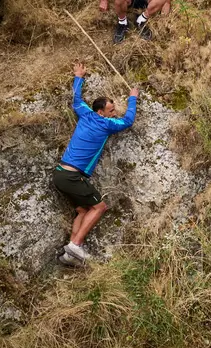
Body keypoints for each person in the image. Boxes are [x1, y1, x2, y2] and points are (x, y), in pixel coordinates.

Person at [53, 62, 139, 266]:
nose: (113, 113)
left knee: (83, 210)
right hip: (72, 176)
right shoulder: (106, 123)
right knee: (99, 207)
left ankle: (69, 255)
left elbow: (76, 99)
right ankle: (75, 246)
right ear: (101, 112)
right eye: (110, 110)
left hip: (60, 174)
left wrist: (78, 76)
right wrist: (133, 98)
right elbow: (128, 121)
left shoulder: (85, 113)